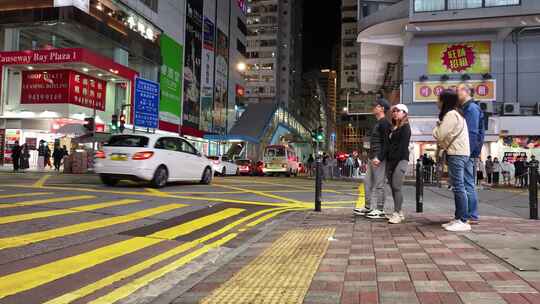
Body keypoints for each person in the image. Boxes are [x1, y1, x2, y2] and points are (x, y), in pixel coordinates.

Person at [433, 89, 471, 232]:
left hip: (457, 153)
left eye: (439, 99)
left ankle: (462, 220)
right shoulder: (457, 114)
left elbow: (440, 135)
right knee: (458, 186)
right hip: (459, 153)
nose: (437, 102)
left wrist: (436, 127)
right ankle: (458, 218)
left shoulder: (451, 114)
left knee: (459, 187)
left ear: (444, 101)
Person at [353, 98, 391, 219]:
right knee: (367, 182)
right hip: (372, 157)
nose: (374, 107)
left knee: (380, 184)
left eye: (377, 106)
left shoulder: (385, 123)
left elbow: (387, 143)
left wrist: (379, 157)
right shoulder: (378, 123)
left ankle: (380, 209)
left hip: (379, 158)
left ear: (382, 109)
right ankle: (368, 207)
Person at [458, 83, 484, 225]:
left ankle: (471, 215)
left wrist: (467, 152)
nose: (456, 93)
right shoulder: (466, 107)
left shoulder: (471, 108)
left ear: (466, 92)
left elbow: (471, 133)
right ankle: (468, 214)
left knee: (467, 182)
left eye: (458, 90)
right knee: (465, 182)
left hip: (467, 151)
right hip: (466, 150)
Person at [386, 104, 411, 224]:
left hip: (401, 159)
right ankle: (400, 212)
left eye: (398, 111)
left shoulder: (405, 127)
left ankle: (396, 213)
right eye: (393, 111)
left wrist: (394, 162)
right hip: (391, 161)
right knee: (393, 187)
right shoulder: (393, 127)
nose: (395, 113)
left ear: (404, 113)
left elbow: (402, 147)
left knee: (396, 186)